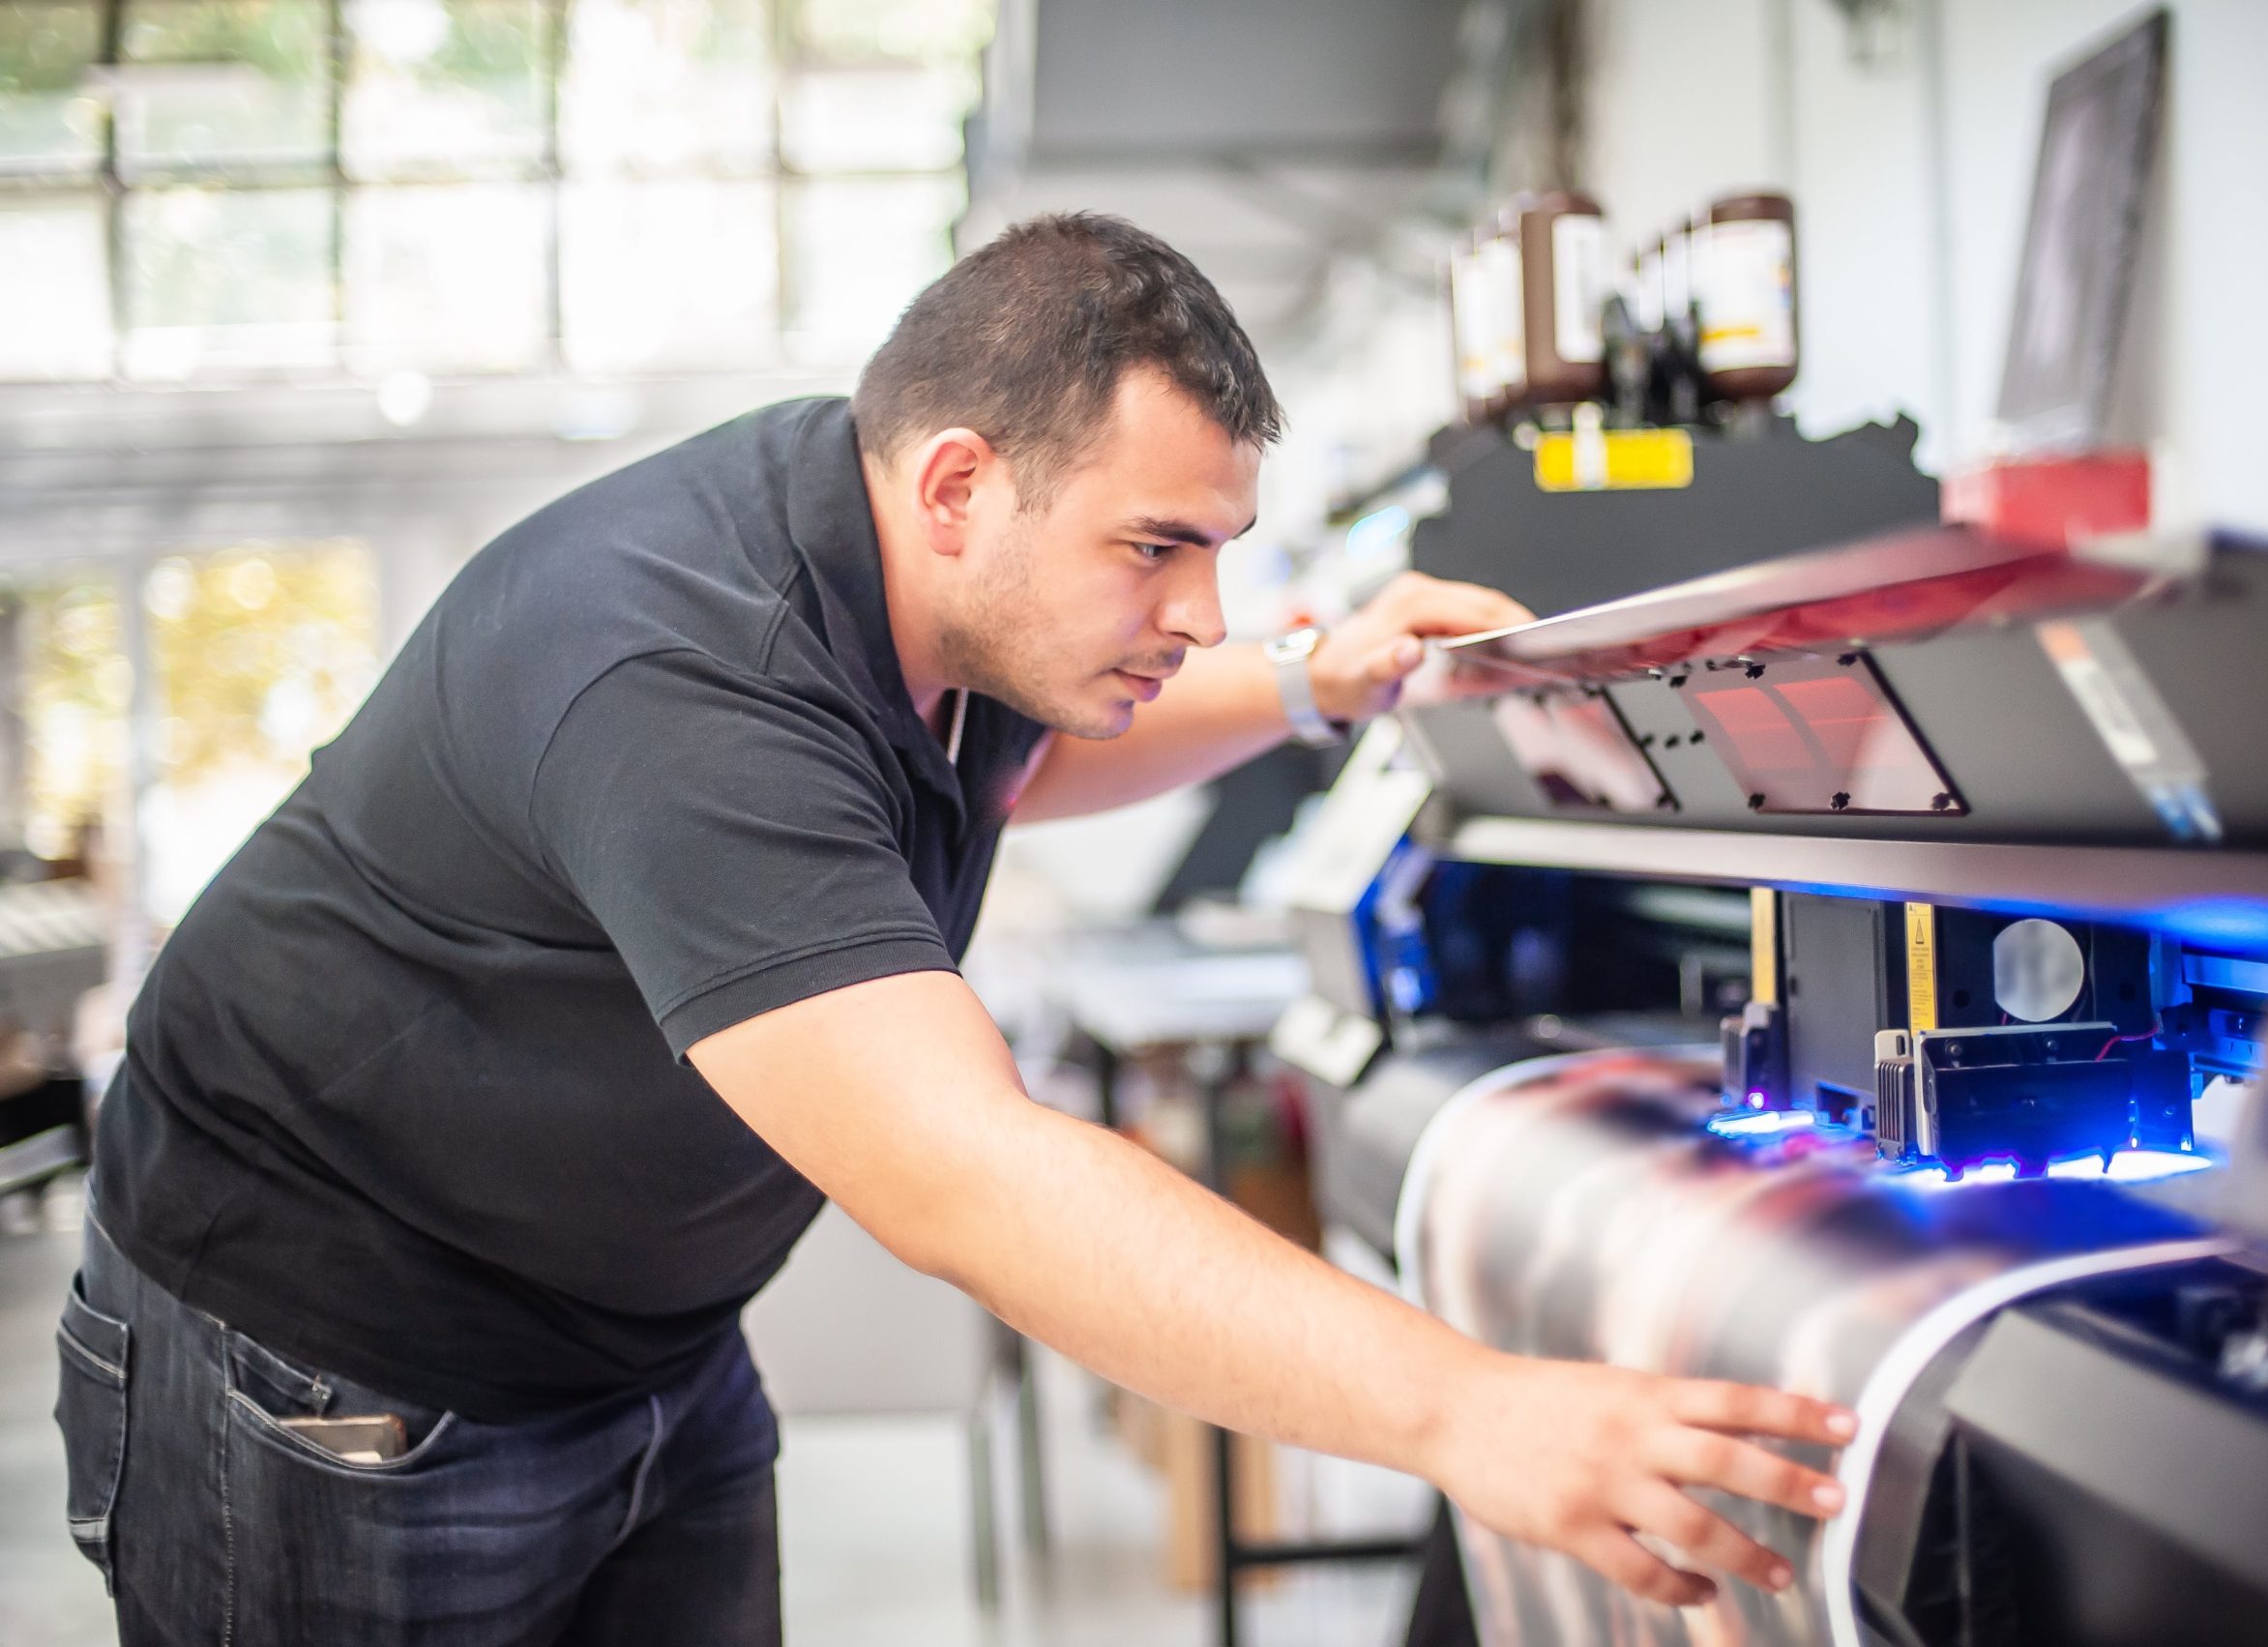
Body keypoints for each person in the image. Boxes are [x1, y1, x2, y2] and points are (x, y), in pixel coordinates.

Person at [56, 213, 1854, 1646]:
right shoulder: (681, 670)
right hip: (338, 1363)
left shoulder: (924, 585)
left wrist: (1315, 677)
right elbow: (967, 1183)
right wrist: (1473, 1416)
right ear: (957, 486)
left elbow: (1022, 765)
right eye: (1156, 549)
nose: (1196, 607)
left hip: (646, 1345)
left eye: (1218, 553)